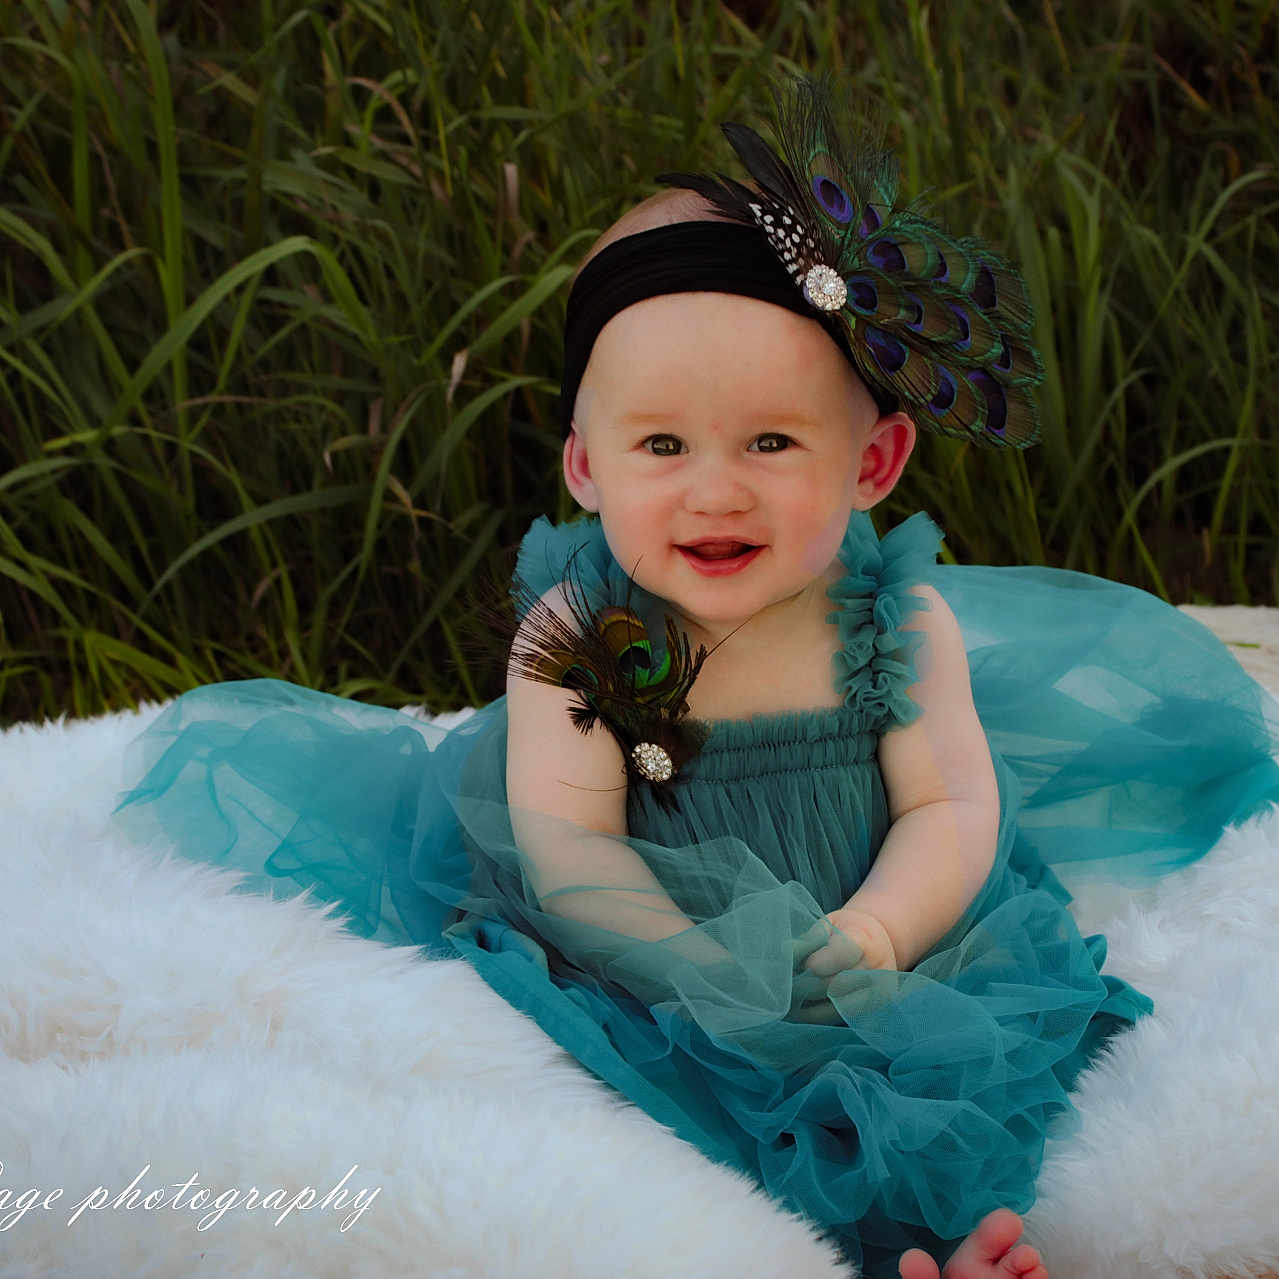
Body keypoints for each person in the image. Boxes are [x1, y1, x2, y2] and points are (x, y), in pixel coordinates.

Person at [114, 78, 1279, 1278]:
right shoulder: (580, 634)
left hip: (871, 940)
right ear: (583, 464)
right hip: (650, 968)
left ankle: (941, 1250)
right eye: (660, 445)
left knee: (940, 1103)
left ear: (874, 461)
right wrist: (694, 968)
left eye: (772, 442)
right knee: (653, 1138)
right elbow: (570, 850)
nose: (714, 489)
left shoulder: (892, 620)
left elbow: (950, 807)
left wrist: (882, 927)